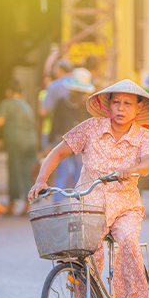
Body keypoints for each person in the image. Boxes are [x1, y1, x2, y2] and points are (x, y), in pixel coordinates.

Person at [29, 79, 149, 298]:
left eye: (127, 103)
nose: (121, 108)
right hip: (90, 206)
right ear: (107, 105)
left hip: (125, 207)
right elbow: (58, 153)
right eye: (116, 102)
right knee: (84, 257)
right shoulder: (90, 129)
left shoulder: (143, 136)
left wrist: (133, 169)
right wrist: (41, 180)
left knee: (126, 238)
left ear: (138, 109)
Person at [48, 68, 95, 201]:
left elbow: (55, 124)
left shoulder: (62, 102)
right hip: (77, 144)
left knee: (63, 172)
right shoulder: (87, 105)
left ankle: (59, 201)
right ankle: (76, 201)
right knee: (78, 173)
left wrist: (50, 142)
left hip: (64, 141)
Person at [0, 79, 38, 215]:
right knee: (26, 173)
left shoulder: (7, 103)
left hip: (16, 143)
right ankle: (27, 206)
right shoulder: (26, 105)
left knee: (14, 173)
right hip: (31, 142)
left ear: (9, 91)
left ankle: (11, 206)